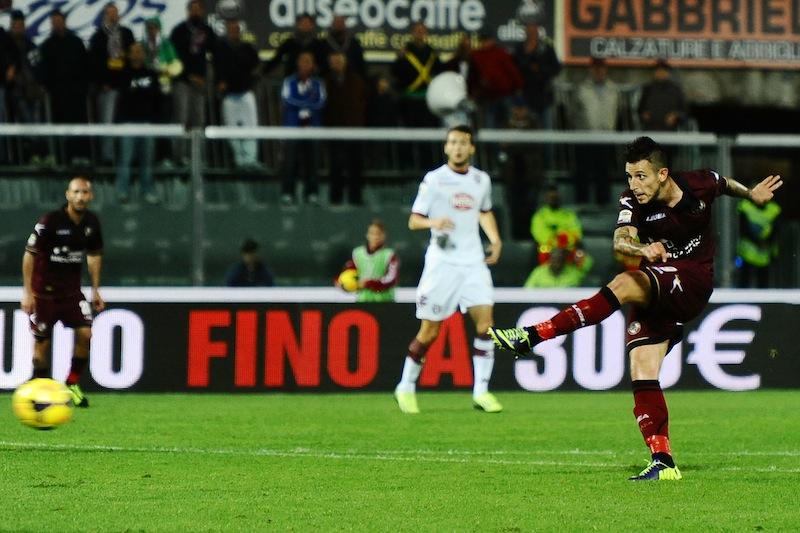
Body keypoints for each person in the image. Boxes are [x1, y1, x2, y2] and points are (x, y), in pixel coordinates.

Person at [489, 136, 783, 481]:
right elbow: (620, 239)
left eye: (641, 176)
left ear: (662, 174)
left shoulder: (697, 184)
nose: (634, 185)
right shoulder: (632, 201)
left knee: (625, 284)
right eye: (629, 176)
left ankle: (535, 335)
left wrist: (750, 193)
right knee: (642, 368)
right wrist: (643, 250)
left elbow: (723, 183)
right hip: (661, 283)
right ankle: (663, 460)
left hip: (694, 280)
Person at [394, 125, 503, 415]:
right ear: (446, 147)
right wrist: (434, 222)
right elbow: (414, 220)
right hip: (442, 263)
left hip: (473, 262)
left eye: (463, 142)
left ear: (471, 149)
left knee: (486, 324)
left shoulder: (481, 180)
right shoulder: (435, 180)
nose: (457, 147)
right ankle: (405, 386)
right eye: (453, 142)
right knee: (429, 332)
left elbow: (484, 210)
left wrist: (494, 239)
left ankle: (481, 391)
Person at [21, 176, 105, 408]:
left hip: (71, 294)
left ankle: (72, 383)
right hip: (43, 294)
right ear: (68, 195)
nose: (80, 197)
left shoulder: (91, 223)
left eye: (85, 192)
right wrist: (27, 293)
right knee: (40, 350)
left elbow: (95, 255)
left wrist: (95, 290)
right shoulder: (50, 221)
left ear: (91, 196)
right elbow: (29, 254)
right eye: (76, 192)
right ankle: (41, 389)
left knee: (86, 334)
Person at [39, 9, 91, 164]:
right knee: (61, 126)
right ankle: (64, 158)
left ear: (64, 21)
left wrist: (85, 86)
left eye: (59, 21)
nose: (57, 24)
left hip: (77, 92)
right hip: (58, 95)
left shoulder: (76, 42)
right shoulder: (47, 46)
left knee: (80, 124)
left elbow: (85, 65)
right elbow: (44, 70)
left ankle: (83, 156)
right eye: (54, 22)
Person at [88, 2, 135, 164]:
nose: (113, 16)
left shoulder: (127, 34)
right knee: (107, 122)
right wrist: (102, 82)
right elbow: (94, 62)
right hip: (107, 87)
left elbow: (133, 58)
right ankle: (107, 157)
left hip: (126, 86)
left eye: (115, 13)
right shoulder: (98, 37)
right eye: (110, 13)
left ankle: (127, 156)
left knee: (126, 123)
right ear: (104, 16)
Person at [170, 0, 216, 161]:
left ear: (202, 11)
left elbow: (214, 53)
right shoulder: (179, 30)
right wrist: (190, 75)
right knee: (181, 119)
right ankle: (179, 157)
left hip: (200, 83)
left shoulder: (207, 30)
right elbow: (173, 57)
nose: (195, 12)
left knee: (199, 121)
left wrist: (205, 78)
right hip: (182, 81)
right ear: (188, 11)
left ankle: (198, 157)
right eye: (193, 9)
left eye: (198, 9)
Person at [115, 42, 160, 204]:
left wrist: (155, 120)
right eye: (133, 51)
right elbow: (124, 96)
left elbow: (156, 97)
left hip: (147, 123)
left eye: (139, 51)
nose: (136, 54)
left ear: (143, 54)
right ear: (129, 54)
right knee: (125, 159)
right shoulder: (123, 74)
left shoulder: (151, 74)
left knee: (147, 159)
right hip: (128, 123)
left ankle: (148, 190)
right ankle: (122, 191)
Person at [280, 51, 326, 205]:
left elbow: (320, 103)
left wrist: (302, 103)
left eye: (309, 61)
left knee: (312, 162)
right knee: (290, 162)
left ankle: (312, 193)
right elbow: (287, 101)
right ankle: (288, 192)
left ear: (313, 65)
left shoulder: (318, 84)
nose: (305, 64)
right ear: (298, 63)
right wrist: (307, 103)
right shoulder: (289, 82)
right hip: (293, 128)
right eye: (303, 61)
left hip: (312, 129)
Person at [215, 18, 261, 169]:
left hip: (246, 93)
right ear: (227, 30)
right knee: (231, 129)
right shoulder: (221, 48)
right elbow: (218, 68)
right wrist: (220, 81)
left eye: (236, 29)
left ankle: (251, 160)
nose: (234, 31)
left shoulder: (248, 47)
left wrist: (252, 79)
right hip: (229, 96)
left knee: (251, 127)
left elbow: (256, 66)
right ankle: (239, 160)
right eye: (231, 29)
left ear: (240, 31)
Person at [574, 57, 620, 204]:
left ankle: (603, 204)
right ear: (591, 69)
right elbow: (573, 113)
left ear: (605, 69)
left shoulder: (613, 88)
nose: (599, 71)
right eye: (596, 68)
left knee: (604, 173)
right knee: (582, 173)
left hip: (606, 137)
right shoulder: (581, 88)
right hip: (585, 137)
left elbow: (616, 111)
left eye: (601, 68)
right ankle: (582, 203)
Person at [323, 50, 365, 205]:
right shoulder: (326, 81)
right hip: (334, 130)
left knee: (355, 165)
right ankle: (335, 198)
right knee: (336, 166)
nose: (337, 64)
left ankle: (356, 197)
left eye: (339, 60)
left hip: (354, 129)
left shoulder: (356, 80)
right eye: (333, 61)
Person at [469, 30, 522, 129]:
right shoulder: (476, 55)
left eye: (487, 40)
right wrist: (474, 92)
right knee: (489, 126)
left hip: (504, 95)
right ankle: (491, 145)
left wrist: (517, 88)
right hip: (487, 97)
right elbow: (472, 78)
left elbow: (513, 73)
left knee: (508, 125)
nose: (485, 42)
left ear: (492, 40)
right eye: (483, 40)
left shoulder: (501, 53)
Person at [337, 220, 399, 302]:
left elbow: (391, 279)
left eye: (378, 234)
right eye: (372, 233)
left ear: (384, 236)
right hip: (363, 299)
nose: (375, 237)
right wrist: (344, 283)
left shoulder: (389, 255)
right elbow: (349, 272)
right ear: (367, 235)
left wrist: (369, 283)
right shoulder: (357, 253)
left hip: (384, 300)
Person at [530, 185, 586, 264]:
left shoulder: (569, 215)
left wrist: (563, 241)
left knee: (581, 251)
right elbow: (541, 235)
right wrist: (559, 241)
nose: (554, 199)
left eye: (556, 197)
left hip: (567, 250)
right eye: (551, 197)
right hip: (548, 251)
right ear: (546, 198)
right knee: (538, 249)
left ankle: (576, 274)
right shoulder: (540, 216)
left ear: (560, 198)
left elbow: (577, 233)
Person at [736, 191, 781, 288]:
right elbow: (743, 229)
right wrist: (759, 242)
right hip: (747, 254)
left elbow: (776, 231)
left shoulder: (774, 210)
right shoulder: (745, 206)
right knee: (744, 282)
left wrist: (767, 243)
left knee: (763, 283)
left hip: (764, 254)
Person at [263, 13, 327, 77]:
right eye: (302, 23)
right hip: (292, 76)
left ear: (312, 25)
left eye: (307, 23)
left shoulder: (318, 44)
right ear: (298, 25)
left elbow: (324, 63)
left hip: (313, 78)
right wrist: (264, 71)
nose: (305, 25)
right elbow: (277, 58)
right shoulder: (290, 42)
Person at [638, 59, 686, 131]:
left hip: (670, 130)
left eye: (663, 71)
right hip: (650, 129)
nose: (660, 73)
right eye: (658, 71)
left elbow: (684, 111)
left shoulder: (676, 90)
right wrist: (644, 115)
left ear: (668, 73)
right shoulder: (647, 88)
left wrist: (676, 116)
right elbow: (640, 109)